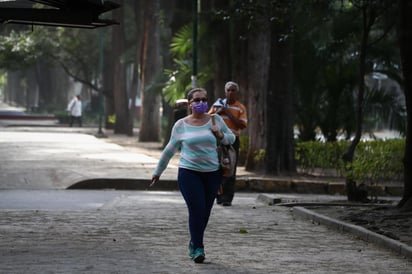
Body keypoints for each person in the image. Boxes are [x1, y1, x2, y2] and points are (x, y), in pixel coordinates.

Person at [151, 87, 235, 264]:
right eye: (197, 100)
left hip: (212, 174)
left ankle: (193, 241)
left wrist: (220, 135)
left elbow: (231, 138)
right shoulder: (181, 125)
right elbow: (169, 149)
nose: (201, 102)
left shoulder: (216, 119)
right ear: (190, 104)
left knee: (205, 212)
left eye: (204, 99)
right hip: (189, 173)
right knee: (196, 209)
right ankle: (198, 247)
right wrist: (158, 171)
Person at [208, 81, 248, 206]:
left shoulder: (240, 107)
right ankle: (218, 196)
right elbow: (208, 119)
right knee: (217, 168)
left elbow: (242, 125)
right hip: (217, 141)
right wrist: (219, 112)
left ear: (237, 92)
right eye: (228, 90)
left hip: (232, 141)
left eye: (233, 90)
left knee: (230, 169)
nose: (230, 92)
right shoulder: (217, 105)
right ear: (225, 92)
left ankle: (227, 198)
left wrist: (228, 112)